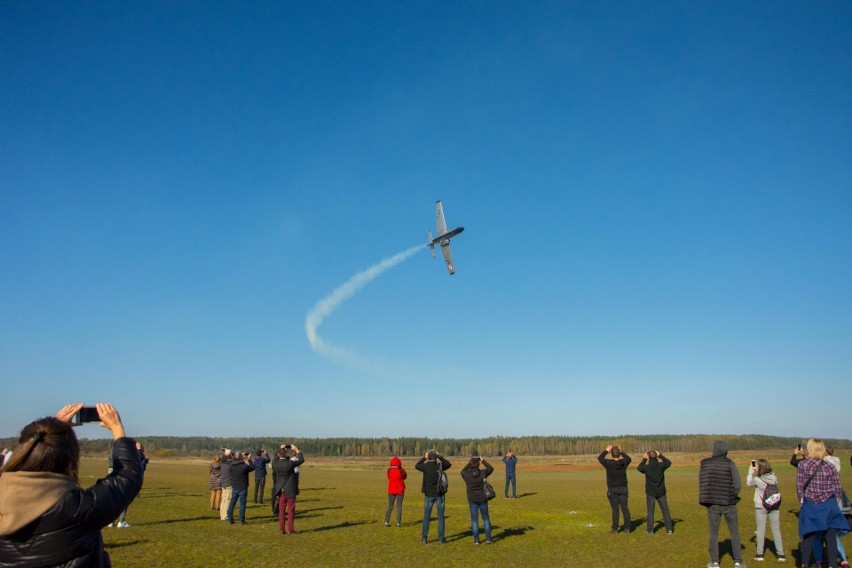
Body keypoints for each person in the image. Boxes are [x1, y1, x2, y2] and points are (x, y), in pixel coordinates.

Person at [0, 402, 142, 566]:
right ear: (69, 460)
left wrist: (49, 431)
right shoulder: (78, 509)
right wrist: (118, 430)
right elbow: (127, 477)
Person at [796, 438, 848, 568]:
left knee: (808, 536)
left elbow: (799, 486)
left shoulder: (803, 465)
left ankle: (805, 564)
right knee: (830, 539)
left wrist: (802, 501)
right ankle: (832, 565)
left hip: (810, 505)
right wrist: (830, 499)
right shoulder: (830, 466)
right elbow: (837, 488)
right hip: (828, 505)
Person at [699, 440, 745, 568]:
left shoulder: (705, 463)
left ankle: (714, 561)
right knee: (734, 532)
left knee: (713, 532)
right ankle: (738, 561)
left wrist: (707, 498)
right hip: (729, 502)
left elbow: (703, 482)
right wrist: (733, 495)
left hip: (712, 502)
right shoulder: (730, 463)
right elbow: (737, 484)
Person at [747, 458, 786, 562]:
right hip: (774, 505)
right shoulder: (774, 477)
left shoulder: (757, 480)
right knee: (776, 530)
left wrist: (751, 471)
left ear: (759, 468)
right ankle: (781, 554)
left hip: (761, 506)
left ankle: (760, 554)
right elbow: (770, 474)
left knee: (760, 530)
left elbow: (748, 483)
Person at [415, 450, 452, 544]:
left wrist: (424, 457)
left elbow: (417, 465)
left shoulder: (425, 466)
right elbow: (448, 464)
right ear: (436, 457)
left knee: (426, 516)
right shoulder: (440, 466)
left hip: (428, 494)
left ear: (428, 457)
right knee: (441, 516)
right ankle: (441, 538)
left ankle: (424, 537)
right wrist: (440, 456)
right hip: (439, 494)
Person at [637, 450, 673, 535]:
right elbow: (668, 462)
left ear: (648, 457)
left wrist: (644, 459)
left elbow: (639, 467)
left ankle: (650, 530)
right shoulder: (661, 465)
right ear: (656, 456)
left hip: (650, 492)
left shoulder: (647, 467)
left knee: (650, 511)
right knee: (665, 511)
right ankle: (669, 530)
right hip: (661, 491)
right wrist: (660, 455)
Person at [598, 444, 632, 533]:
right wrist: (621, 451)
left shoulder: (608, 463)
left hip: (613, 489)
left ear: (611, 454)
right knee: (625, 508)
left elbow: (600, 458)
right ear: (619, 454)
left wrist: (606, 450)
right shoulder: (624, 462)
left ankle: (615, 528)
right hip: (623, 488)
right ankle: (627, 528)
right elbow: (629, 459)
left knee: (615, 510)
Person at [461, 455, 495, 544]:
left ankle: (476, 540)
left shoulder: (467, 475)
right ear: (478, 464)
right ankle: (488, 538)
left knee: (474, 520)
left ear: (471, 464)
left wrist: (470, 462)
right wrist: (482, 460)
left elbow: (462, 471)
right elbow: (490, 468)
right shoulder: (483, 473)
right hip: (482, 498)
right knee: (486, 519)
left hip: (472, 499)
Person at [272, 444, 304, 535]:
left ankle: (282, 529)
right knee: (291, 510)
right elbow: (301, 460)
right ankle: (290, 529)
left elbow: (275, 458)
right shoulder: (289, 463)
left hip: (281, 490)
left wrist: (281, 448)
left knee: (281, 510)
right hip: (290, 489)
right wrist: (297, 450)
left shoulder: (275, 464)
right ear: (286, 454)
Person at [226, 451, 254, 525]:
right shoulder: (244, 466)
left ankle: (229, 518)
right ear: (241, 458)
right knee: (242, 505)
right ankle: (241, 520)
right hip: (243, 487)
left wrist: (239, 456)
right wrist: (249, 459)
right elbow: (252, 467)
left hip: (234, 486)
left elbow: (232, 460)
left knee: (232, 503)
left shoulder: (231, 465)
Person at [385, 456, 407, 527]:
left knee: (390, 506)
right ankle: (398, 522)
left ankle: (386, 521)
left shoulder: (389, 470)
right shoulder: (401, 470)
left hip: (391, 490)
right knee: (399, 506)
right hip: (400, 490)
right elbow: (405, 476)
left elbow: (388, 477)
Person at [219, 449, 233, 521]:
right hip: (228, 484)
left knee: (223, 500)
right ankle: (225, 516)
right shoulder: (229, 464)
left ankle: (222, 515)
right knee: (227, 500)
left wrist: (226, 453)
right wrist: (232, 453)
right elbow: (235, 460)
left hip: (223, 483)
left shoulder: (222, 463)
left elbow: (224, 458)